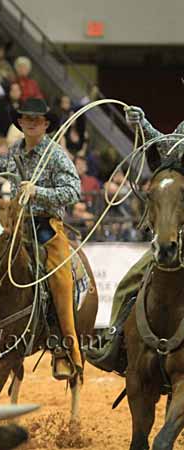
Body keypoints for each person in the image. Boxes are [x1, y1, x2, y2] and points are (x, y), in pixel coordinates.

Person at [0, 98, 82, 380]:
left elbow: (73, 190)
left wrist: (39, 192)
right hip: (17, 222)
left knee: (59, 278)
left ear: (45, 124)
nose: (31, 122)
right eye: (26, 118)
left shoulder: (55, 154)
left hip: (45, 226)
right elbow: (8, 168)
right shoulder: (16, 149)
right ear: (19, 122)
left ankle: (63, 346)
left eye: (37, 119)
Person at [87, 104, 184, 372]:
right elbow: (164, 146)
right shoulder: (182, 131)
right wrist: (141, 124)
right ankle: (113, 342)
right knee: (131, 281)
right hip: (176, 232)